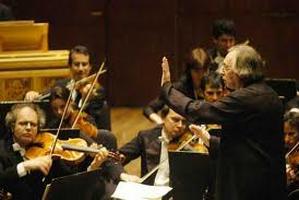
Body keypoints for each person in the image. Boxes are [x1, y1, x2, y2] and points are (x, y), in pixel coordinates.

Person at [161, 44, 286, 200]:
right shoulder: (265, 92)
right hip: (260, 182)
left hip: (251, 188)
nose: (221, 72)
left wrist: (167, 89)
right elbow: (248, 144)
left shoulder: (248, 98)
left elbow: (198, 111)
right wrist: (209, 140)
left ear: (241, 71)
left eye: (226, 68)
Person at [0, 103, 110, 200]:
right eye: (23, 123)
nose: (29, 128)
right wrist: (25, 166)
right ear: (12, 126)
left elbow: (72, 180)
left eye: (33, 124)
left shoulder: (48, 150)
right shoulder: (2, 149)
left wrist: (93, 166)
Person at [25, 45, 111, 130]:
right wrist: (34, 94)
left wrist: (84, 101)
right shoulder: (61, 85)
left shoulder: (98, 91)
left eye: (84, 64)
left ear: (90, 67)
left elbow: (92, 122)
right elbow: (47, 95)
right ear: (70, 66)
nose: (81, 69)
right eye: (77, 64)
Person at [119, 107, 189, 186]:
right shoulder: (146, 137)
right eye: (175, 120)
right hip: (150, 190)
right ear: (163, 118)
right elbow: (119, 157)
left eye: (184, 122)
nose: (180, 125)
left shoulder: (189, 141)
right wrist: (123, 175)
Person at [143, 47, 209, 124]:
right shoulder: (178, 87)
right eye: (196, 71)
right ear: (189, 70)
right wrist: (162, 123)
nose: (201, 75)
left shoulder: (211, 84)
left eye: (204, 70)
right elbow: (148, 109)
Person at [47, 85, 117, 151]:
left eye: (62, 107)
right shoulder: (53, 126)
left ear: (70, 102)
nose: (59, 112)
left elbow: (96, 138)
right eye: (55, 109)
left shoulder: (85, 119)